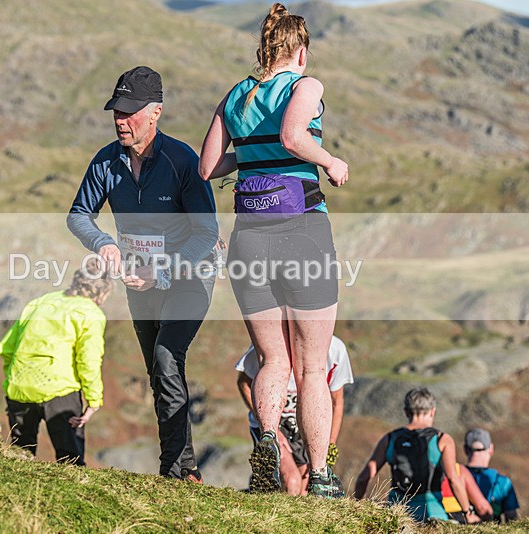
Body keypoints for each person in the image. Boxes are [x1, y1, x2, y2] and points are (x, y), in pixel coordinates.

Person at [198, 3, 349, 497]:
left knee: (272, 361)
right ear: (300, 51)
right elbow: (292, 134)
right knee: (311, 366)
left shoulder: (237, 94)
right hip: (302, 229)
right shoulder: (307, 87)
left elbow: (209, 168)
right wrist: (331, 160)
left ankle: (267, 443)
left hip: (249, 237)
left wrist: (253, 152)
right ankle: (322, 477)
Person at [67, 66, 219, 482]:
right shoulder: (106, 161)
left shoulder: (181, 160)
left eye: (130, 111)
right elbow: (79, 215)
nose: (121, 119)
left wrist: (163, 269)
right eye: (117, 110)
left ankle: (170, 474)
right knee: (161, 374)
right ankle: (187, 468)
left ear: (155, 113)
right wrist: (105, 244)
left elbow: (208, 233)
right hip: (139, 282)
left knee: (167, 358)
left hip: (190, 275)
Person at [0, 258, 113, 466]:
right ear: (102, 293)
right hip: (60, 393)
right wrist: (93, 401)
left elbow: (7, 347)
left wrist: (12, 379)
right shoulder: (90, 313)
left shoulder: (41, 302)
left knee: (18, 457)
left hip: (19, 387)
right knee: (71, 461)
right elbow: (89, 360)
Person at [235, 335, 353, 495]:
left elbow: (336, 402)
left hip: (306, 425)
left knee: (305, 488)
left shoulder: (336, 349)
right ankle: (273, 512)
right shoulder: (271, 337)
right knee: (292, 481)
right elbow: (243, 383)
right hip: (275, 422)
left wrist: (329, 444)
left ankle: (260, 494)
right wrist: (271, 430)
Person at [353, 388, 477, 524]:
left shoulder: (390, 439)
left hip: (396, 515)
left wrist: (357, 507)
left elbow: (364, 477)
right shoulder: (442, 440)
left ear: (406, 412)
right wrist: (467, 513)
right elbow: (453, 479)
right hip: (432, 513)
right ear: (432, 411)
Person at [465, 428, 521, 523]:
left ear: (465, 450)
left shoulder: (456, 477)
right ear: (491, 448)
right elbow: (512, 520)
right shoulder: (502, 483)